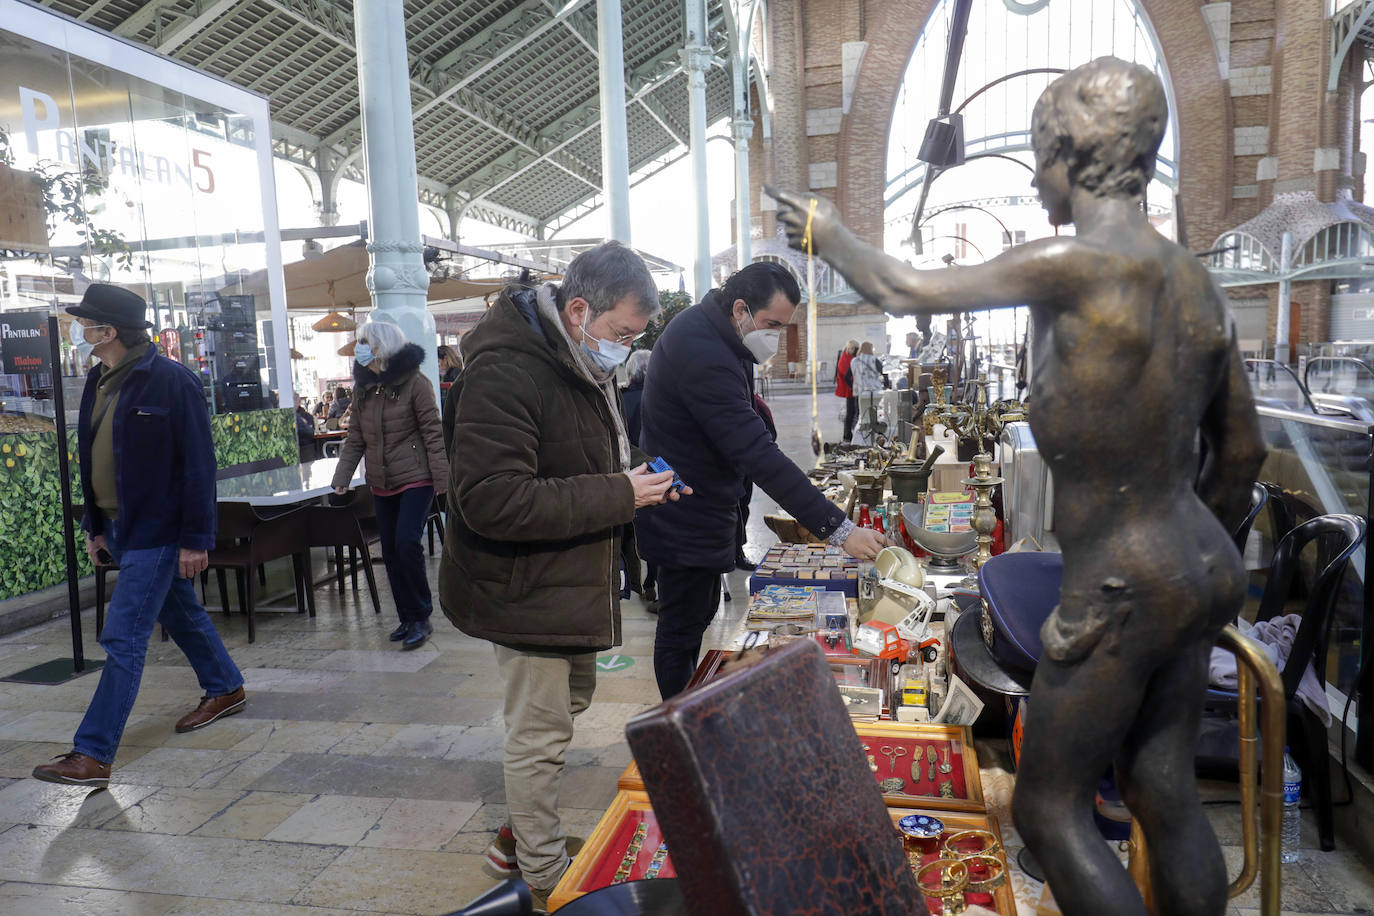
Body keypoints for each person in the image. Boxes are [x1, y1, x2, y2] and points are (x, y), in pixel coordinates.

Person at [769, 57, 1265, 916]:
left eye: (1041, 158)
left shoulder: (1073, 265)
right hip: (1202, 563)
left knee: (1049, 805)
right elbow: (1245, 451)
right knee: (1161, 783)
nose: (1036, 179)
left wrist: (827, 230)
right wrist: (1182, 565)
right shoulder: (1196, 283)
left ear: (1074, 155)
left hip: (1121, 578)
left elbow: (906, 287)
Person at [439, 242, 686, 911]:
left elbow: (595, 446)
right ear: (579, 310)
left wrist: (645, 474)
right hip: (523, 586)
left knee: (567, 704)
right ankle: (546, 878)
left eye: (635, 338)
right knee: (540, 732)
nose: (625, 351)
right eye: (621, 334)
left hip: (566, 579)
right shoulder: (506, 373)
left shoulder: (578, 357)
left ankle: (514, 838)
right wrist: (620, 494)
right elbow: (491, 499)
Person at [636, 262, 890, 700]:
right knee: (681, 629)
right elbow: (756, 453)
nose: (774, 335)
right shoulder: (702, 348)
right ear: (740, 309)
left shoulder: (721, 336)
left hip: (703, 505)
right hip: (682, 512)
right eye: (771, 324)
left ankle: (688, 712)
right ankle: (678, 726)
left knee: (696, 617)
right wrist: (840, 531)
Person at [33, 285, 246, 789]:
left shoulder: (172, 382)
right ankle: (226, 687)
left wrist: (197, 539)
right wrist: (97, 526)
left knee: (122, 635)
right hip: (120, 527)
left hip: (159, 530)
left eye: (87, 324)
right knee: (182, 612)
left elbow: (198, 466)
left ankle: (93, 753)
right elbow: (92, 458)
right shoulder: (98, 380)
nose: (80, 331)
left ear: (108, 332)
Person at [331, 320, 449, 650]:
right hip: (381, 481)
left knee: (406, 543)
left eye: (365, 343)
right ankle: (406, 617)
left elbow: (433, 432)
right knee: (389, 550)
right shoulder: (365, 388)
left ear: (382, 347)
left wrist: (442, 479)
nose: (360, 349)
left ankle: (422, 616)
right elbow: (356, 437)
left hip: (415, 477)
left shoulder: (416, 383)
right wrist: (342, 478)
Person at [620, 349, 656, 609]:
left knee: (634, 533)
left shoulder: (620, 399)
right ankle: (652, 581)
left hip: (626, 475)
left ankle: (637, 583)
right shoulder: (659, 399)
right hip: (653, 472)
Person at [834, 339, 859, 443]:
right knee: (850, 413)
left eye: (853, 348)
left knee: (853, 412)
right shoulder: (846, 358)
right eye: (849, 348)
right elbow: (846, 375)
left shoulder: (851, 357)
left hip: (852, 388)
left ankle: (849, 434)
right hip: (850, 388)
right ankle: (847, 435)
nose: (850, 350)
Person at [293, 392, 316, 459]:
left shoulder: (307, 416)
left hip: (304, 447)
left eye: (294, 400)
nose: (292, 402)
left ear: (299, 401)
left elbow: (311, 432)